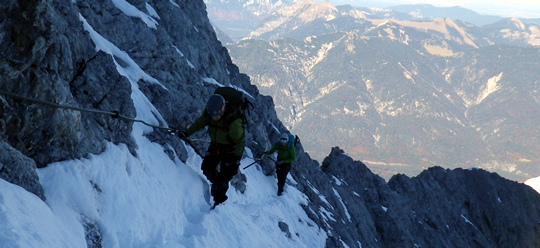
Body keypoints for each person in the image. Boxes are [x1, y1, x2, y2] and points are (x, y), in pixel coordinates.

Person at [182, 94, 245, 207]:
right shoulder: (209, 114)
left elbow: (240, 142)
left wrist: (236, 160)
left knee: (225, 177)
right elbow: (199, 124)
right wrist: (186, 133)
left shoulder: (233, 122)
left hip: (230, 150)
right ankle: (216, 185)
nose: (214, 118)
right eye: (212, 115)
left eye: (217, 115)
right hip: (216, 146)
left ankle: (219, 202)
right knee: (207, 168)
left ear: (223, 108)